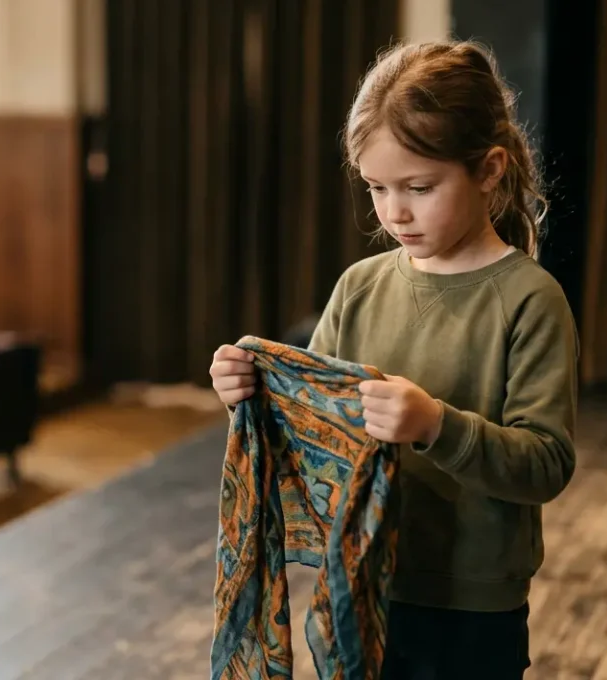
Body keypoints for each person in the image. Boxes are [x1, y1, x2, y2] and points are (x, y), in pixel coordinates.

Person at [209, 40, 578, 679]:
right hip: (358, 583)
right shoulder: (359, 286)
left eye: (419, 187)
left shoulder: (530, 300)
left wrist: (437, 424)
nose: (393, 212)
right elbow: (313, 434)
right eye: (377, 187)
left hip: (472, 608)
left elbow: (545, 464)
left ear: (489, 170)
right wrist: (250, 393)